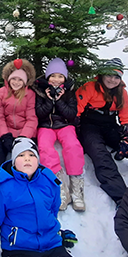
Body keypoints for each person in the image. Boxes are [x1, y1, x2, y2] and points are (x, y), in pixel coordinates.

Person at [77, 58, 128, 203]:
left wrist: (127, 136)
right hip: (90, 126)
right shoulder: (90, 87)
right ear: (101, 75)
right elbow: (77, 110)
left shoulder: (121, 92)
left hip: (110, 126)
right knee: (101, 156)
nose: (112, 80)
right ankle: (121, 197)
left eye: (116, 77)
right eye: (109, 75)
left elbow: (125, 115)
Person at [0, 59, 37, 207]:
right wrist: (4, 135)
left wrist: (23, 137)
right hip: (7, 131)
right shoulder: (1, 93)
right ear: (8, 79)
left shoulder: (29, 95)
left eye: (19, 80)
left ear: (25, 81)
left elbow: (32, 118)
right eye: (13, 79)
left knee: (25, 158)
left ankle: (24, 191)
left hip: (25, 133)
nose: (16, 82)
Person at [33, 58, 86, 211]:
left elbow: (71, 114)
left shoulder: (69, 92)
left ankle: (76, 189)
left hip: (65, 125)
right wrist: (50, 101)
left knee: (73, 146)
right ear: (47, 77)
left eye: (60, 76)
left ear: (65, 78)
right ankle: (60, 187)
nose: (56, 80)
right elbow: (39, 113)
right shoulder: (40, 91)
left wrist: (60, 100)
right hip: (46, 126)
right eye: (53, 76)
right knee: (45, 149)